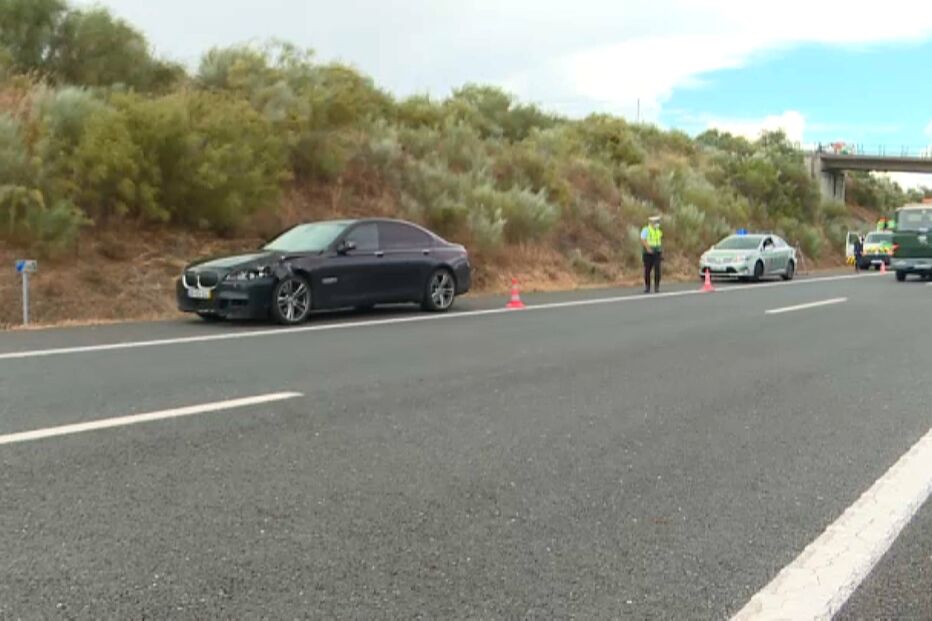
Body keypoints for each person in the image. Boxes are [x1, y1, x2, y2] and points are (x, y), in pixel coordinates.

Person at [640, 215, 663, 293]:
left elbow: (659, 241)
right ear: (651, 222)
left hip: (657, 252)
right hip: (648, 253)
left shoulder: (658, 230)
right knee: (647, 270)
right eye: (656, 222)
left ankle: (657, 287)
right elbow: (643, 239)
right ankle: (647, 287)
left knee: (657, 270)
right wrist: (648, 248)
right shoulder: (646, 230)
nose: (657, 223)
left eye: (658, 222)